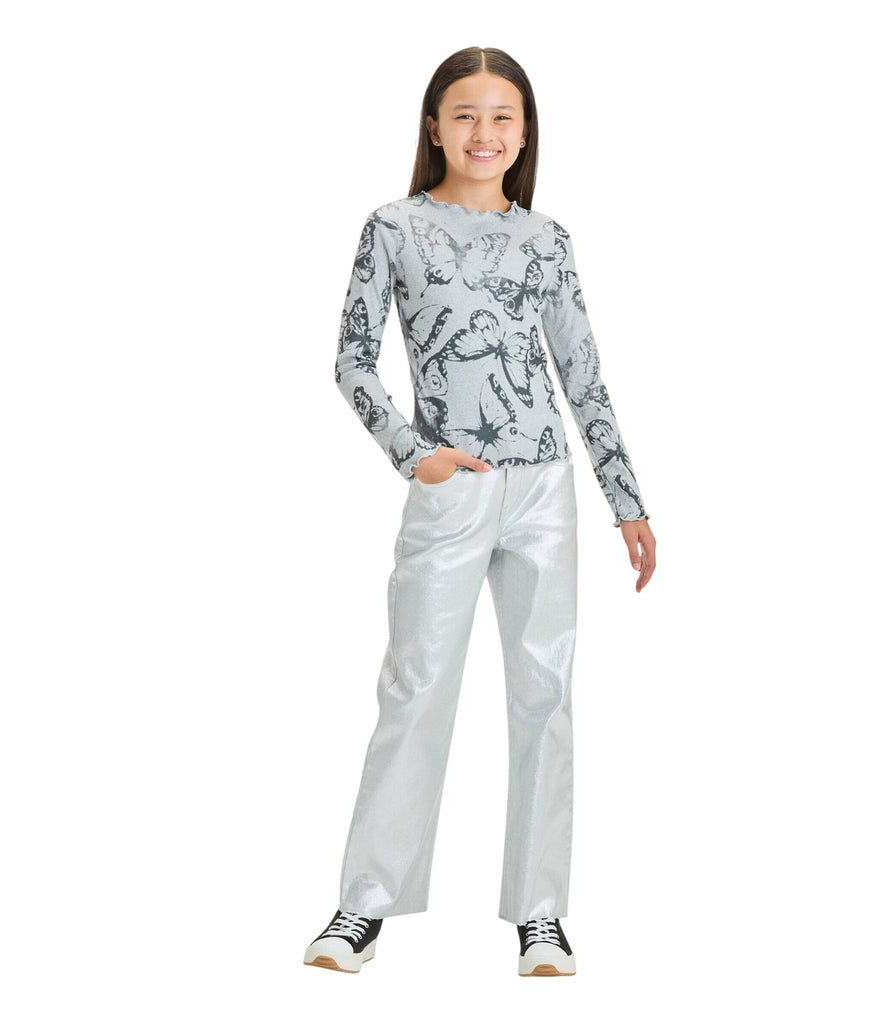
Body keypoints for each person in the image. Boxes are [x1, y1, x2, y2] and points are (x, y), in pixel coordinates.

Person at [304, 46, 656, 978]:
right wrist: (413, 454)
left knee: (545, 693)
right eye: (465, 114)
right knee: (416, 686)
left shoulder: (547, 240)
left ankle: (541, 914)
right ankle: (363, 903)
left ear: (525, 133)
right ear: (434, 127)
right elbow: (350, 360)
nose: (484, 132)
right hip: (451, 485)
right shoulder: (393, 227)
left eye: (503, 116)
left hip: (545, 489)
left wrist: (626, 501)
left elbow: (581, 373)